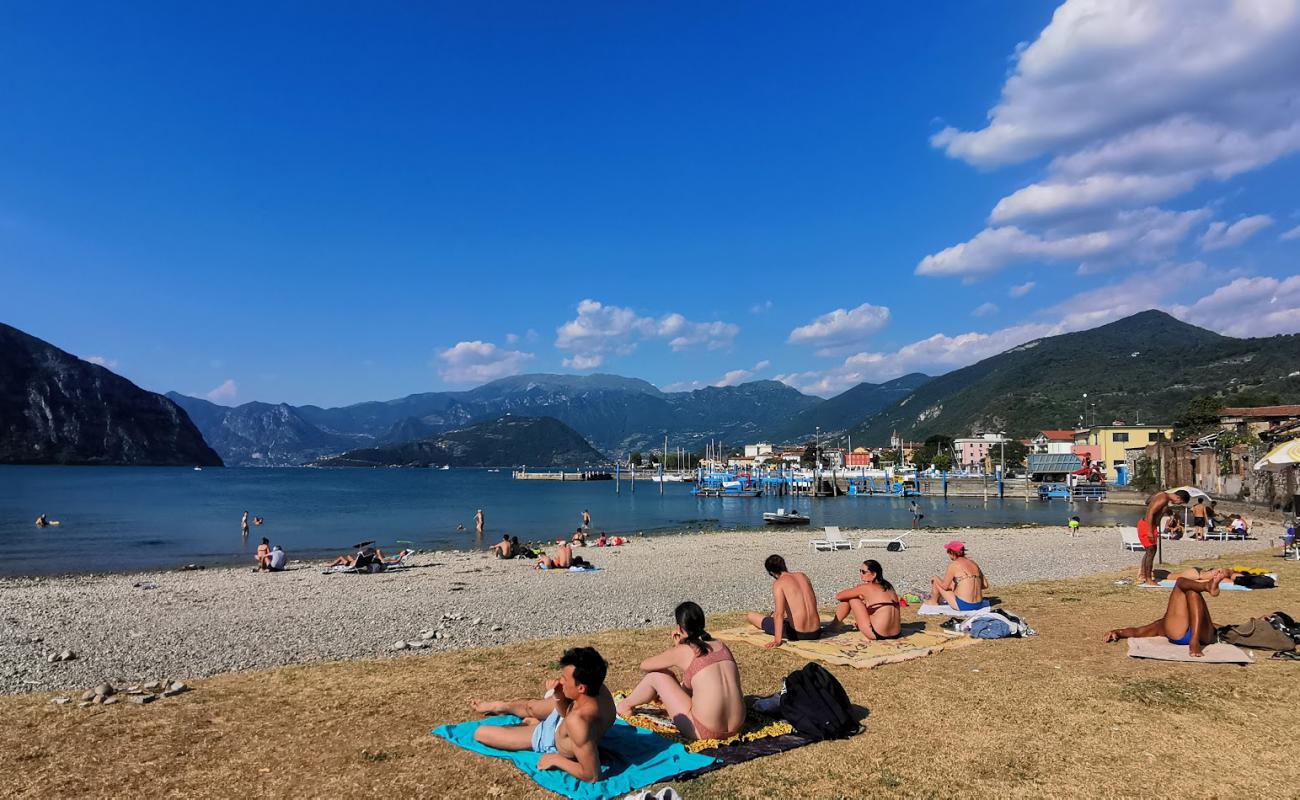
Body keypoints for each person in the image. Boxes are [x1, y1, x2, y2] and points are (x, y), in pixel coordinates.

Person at [469, 647, 616, 783]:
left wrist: (556, 759)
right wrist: (559, 695)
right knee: (531, 706)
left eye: (564, 679)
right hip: (565, 720)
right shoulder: (598, 689)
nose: (560, 681)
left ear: (581, 687)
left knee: (480, 733)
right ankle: (501, 706)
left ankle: (531, 724)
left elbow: (592, 775)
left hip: (548, 738)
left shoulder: (578, 722)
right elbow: (567, 712)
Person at [616, 601, 745, 740]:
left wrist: (677, 648)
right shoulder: (721, 645)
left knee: (657, 676)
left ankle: (624, 706)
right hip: (738, 725)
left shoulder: (685, 651)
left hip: (704, 731)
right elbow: (692, 688)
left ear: (679, 627)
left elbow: (645, 665)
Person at [1104, 569, 1231, 657]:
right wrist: (1118, 632)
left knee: (1184, 585)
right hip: (1204, 635)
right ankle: (1206, 586)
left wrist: (1118, 632)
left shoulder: (1163, 623)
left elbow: (1139, 632)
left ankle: (1207, 586)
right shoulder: (1166, 622)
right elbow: (1138, 632)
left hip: (1182, 634)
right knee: (1188, 587)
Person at [745, 554, 822, 646]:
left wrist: (777, 640)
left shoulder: (779, 583)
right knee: (780, 615)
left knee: (751, 616)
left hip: (797, 633)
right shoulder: (802, 576)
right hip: (817, 632)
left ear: (772, 573)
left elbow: (779, 614)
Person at [831, 559, 901, 640]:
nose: (861, 574)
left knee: (852, 598)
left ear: (874, 574)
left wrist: (858, 591)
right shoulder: (888, 586)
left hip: (876, 633)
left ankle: (834, 625)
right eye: (860, 571)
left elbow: (839, 596)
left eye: (864, 572)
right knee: (865, 601)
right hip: (896, 633)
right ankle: (837, 624)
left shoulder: (865, 588)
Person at [1137, 489, 1191, 587]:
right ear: (1178, 498)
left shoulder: (1163, 496)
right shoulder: (1164, 498)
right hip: (1147, 526)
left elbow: (1148, 502)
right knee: (1151, 551)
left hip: (1149, 525)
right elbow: (1150, 512)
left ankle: (1143, 574)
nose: (1178, 504)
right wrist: (1149, 531)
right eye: (1180, 502)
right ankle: (1148, 579)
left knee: (1150, 550)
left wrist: (1169, 512)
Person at [928, 541, 987, 612]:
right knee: (954, 584)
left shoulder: (954, 565)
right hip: (979, 604)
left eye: (948, 552)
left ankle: (933, 602)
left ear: (952, 553)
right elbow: (985, 585)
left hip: (964, 605)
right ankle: (936, 600)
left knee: (936, 579)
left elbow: (944, 587)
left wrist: (935, 579)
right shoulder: (974, 563)